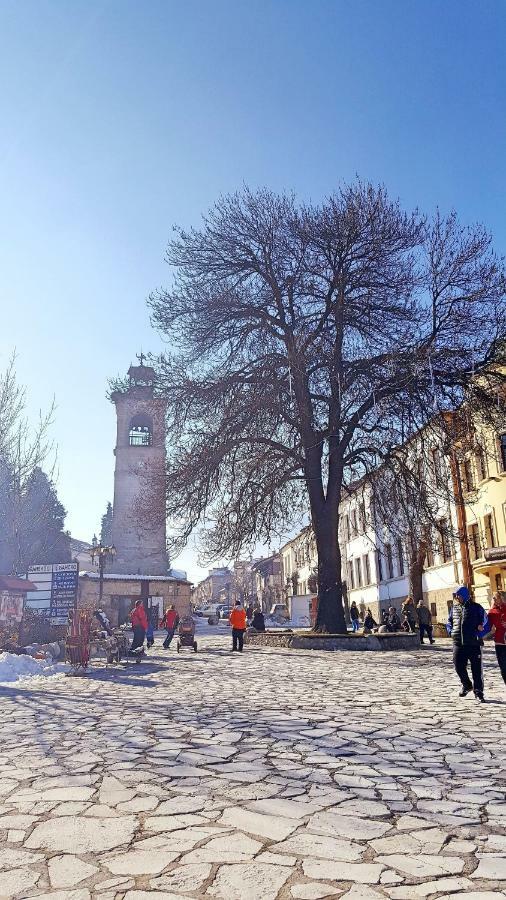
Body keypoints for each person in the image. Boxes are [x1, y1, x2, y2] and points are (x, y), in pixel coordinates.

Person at [447, 586, 487, 702]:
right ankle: (467, 685)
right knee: (458, 665)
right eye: (455, 595)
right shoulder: (454, 608)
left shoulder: (476, 607)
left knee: (476, 669)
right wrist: (451, 632)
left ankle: (478, 692)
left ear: (464, 595)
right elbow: (449, 622)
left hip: (474, 643)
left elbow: (486, 621)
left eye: (458, 595)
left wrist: (481, 630)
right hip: (458, 643)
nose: (456, 597)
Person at [485, 591, 506, 686]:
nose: (493, 599)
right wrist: (489, 631)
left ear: (501, 598)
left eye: (495, 597)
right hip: (499, 644)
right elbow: (486, 625)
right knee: (503, 668)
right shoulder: (492, 612)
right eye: (493, 598)